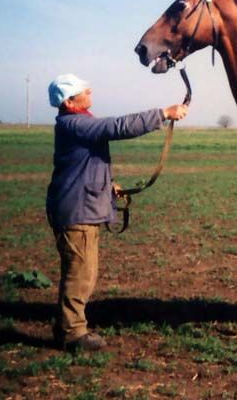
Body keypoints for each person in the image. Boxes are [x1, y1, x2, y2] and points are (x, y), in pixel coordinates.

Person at [46, 73, 188, 351]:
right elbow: (118, 126)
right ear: (71, 100)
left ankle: (68, 326)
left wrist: (108, 186)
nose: (90, 92)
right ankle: (71, 333)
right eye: (85, 91)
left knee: (84, 271)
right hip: (77, 212)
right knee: (79, 274)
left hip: (79, 206)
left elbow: (84, 165)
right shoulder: (75, 123)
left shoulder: (76, 123)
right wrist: (163, 113)